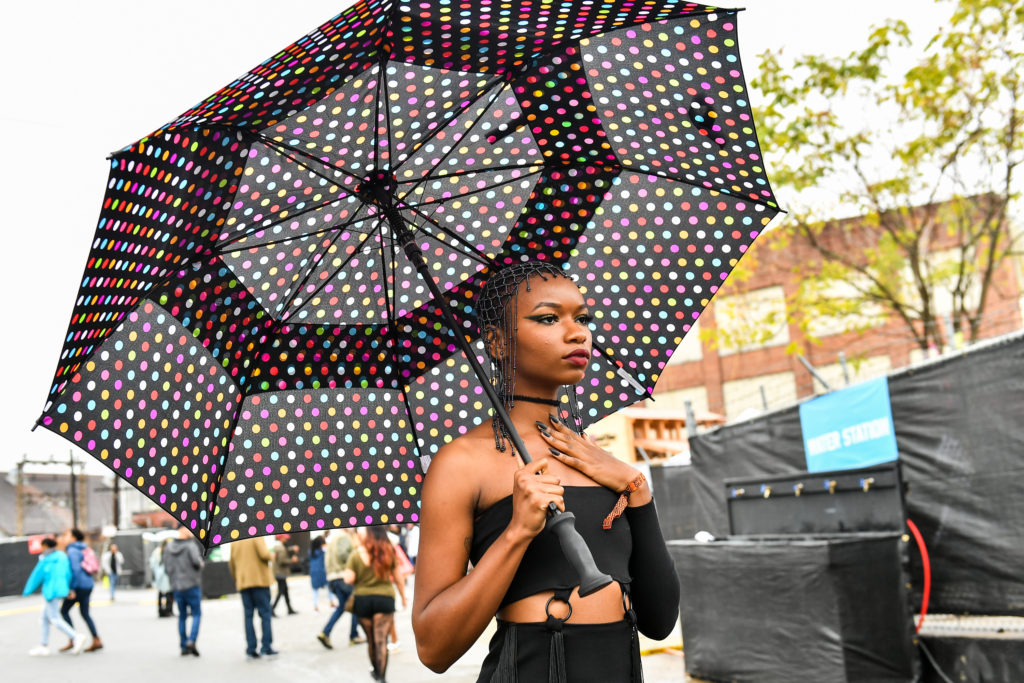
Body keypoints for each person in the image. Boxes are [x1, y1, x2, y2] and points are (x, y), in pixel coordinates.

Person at [411, 260, 680, 681]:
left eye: (583, 318)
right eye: (549, 318)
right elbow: (433, 647)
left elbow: (659, 620)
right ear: (498, 342)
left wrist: (637, 491)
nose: (578, 333)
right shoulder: (461, 463)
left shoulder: (594, 456)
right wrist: (517, 532)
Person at [343, 527, 408, 683]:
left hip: (363, 600)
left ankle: (375, 671)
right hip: (384, 600)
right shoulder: (388, 552)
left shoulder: (356, 554)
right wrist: (403, 597)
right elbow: (399, 577)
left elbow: (348, 579)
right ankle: (382, 677)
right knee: (381, 641)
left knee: (371, 640)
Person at [23, 536, 87, 656]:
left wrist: (27, 590)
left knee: (54, 618)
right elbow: (68, 573)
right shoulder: (62, 556)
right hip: (61, 590)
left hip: (51, 591)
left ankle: (75, 636)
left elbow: (37, 575)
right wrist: (68, 588)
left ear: (45, 546)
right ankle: (44, 645)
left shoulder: (45, 559)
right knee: (45, 618)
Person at [228, 536, 278, 659]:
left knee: (248, 616)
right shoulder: (256, 535)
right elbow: (264, 554)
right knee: (265, 614)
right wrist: (272, 555)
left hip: (244, 582)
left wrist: (238, 580)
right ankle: (266, 646)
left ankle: (251, 648)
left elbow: (231, 564)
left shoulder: (235, 540)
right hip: (259, 581)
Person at [316, 529, 362, 649]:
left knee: (342, 607)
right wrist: (356, 562)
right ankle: (354, 636)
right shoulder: (343, 537)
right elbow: (343, 554)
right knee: (356, 605)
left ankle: (325, 633)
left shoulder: (332, 539)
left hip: (333, 578)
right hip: (342, 577)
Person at [59, 528, 103, 653]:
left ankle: (73, 638)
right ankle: (96, 639)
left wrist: (72, 589)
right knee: (85, 613)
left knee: (64, 610)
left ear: (73, 538)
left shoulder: (72, 550)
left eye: (66, 535)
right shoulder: (83, 548)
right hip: (88, 584)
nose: (64, 537)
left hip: (79, 586)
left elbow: (76, 570)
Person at [163, 526, 204, 656]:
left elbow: (166, 568)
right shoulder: (190, 545)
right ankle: (191, 640)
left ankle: (183, 645)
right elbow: (197, 562)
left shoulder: (169, 547)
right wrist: (201, 563)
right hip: (192, 585)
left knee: (182, 616)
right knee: (197, 613)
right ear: (184, 531)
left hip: (177, 587)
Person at [271, 534, 299, 615]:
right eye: (285, 538)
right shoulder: (280, 548)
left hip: (279, 573)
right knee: (281, 591)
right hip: (280, 574)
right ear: (281, 538)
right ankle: (272, 609)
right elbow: (282, 561)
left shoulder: (279, 546)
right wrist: (292, 560)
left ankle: (289, 609)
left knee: (285, 591)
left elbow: (286, 550)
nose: (286, 539)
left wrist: (292, 549)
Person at [149, 538, 174, 618]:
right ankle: (168, 610)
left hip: (159, 575)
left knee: (160, 593)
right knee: (169, 593)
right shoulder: (169, 551)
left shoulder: (157, 551)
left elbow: (152, 563)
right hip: (166, 575)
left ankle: (160, 611)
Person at [309, 535, 328, 612]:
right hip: (322, 572)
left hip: (314, 573)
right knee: (329, 588)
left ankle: (315, 605)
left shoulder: (310, 553)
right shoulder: (322, 552)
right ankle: (331, 602)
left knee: (315, 590)